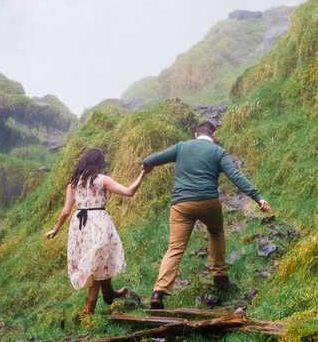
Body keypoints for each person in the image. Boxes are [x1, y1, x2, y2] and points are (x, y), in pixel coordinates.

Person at [143, 119, 271, 309]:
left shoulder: (182, 147)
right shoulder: (219, 152)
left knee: (175, 247)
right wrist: (257, 197)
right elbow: (236, 176)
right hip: (208, 202)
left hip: (181, 205)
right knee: (216, 232)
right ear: (214, 135)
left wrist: (147, 164)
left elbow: (153, 159)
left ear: (196, 135)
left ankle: (158, 292)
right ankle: (220, 276)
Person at [45, 148, 147, 315]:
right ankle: (87, 313)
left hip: (79, 226)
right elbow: (129, 192)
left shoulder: (73, 184)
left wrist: (55, 229)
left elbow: (65, 211)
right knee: (96, 261)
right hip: (98, 222)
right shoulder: (102, 180)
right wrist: (142, 174)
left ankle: (109, 295)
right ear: (98, 163)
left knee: (97, 259)